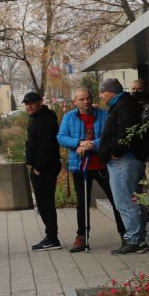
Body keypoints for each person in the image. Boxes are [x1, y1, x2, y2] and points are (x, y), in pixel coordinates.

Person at [57, 86, 125, 253]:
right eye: (82, 99)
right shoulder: (68, 117)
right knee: (82, 203)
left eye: (88, 98)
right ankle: (82, 237)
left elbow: (111, 135)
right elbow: (61, 137)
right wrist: (79, 143)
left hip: (103, 165)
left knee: (116, 200)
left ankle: (125, 234)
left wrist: (92, 144)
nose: (86, 101)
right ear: (75, 102)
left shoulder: (104, 114)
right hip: (79, 166)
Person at [97, 77, 149, 255]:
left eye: (102, 92)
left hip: (124, 160)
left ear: (111, 91)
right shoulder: (125, 103)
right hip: (129, 159)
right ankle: (138, 238)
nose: (101, 95)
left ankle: (135, 240)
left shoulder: (123, 105)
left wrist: (115, 151)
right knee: (136, 200)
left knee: (125, 201)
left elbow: (125, 131)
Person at [23, 91, 62, 250]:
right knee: (43, 203)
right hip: (41, 167)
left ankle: (52, 238)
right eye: (26, 103)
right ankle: (50, 236)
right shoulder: (36, 118)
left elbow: (48, 146)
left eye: (31, 103)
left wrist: (38, 167)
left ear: (40, 102)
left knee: (46, 204)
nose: (28, 106)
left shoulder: (45, 119)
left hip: (45, 168)